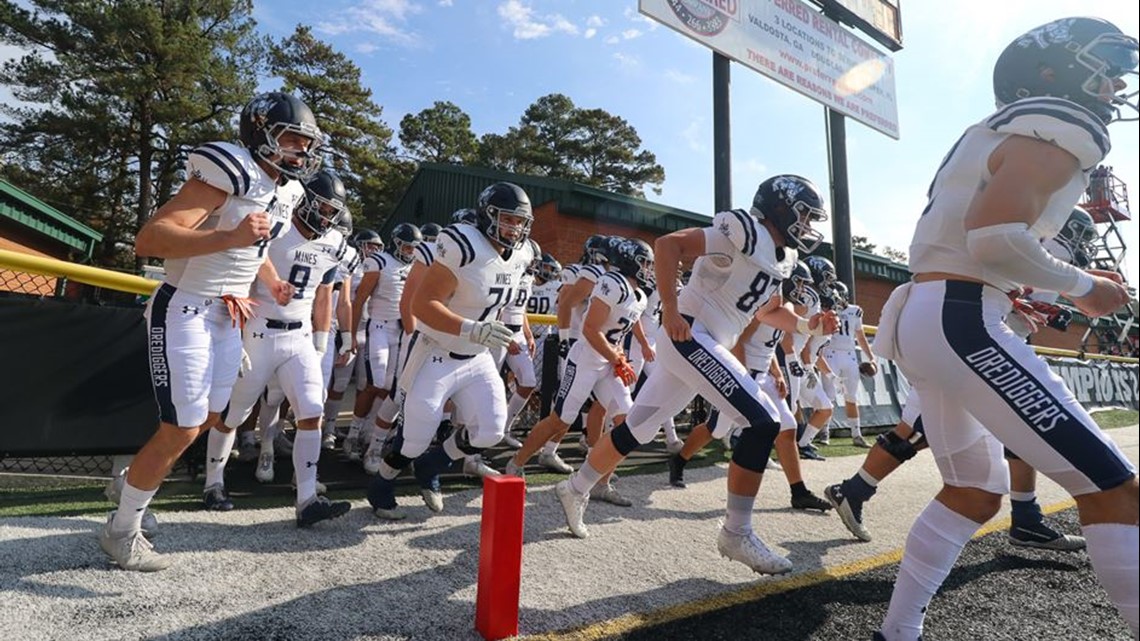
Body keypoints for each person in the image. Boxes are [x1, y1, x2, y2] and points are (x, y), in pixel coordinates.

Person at [873, 18, 1138, 640]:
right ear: (1052, 73)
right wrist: (1086, 287)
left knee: (972, 491)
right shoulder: (1054, 126)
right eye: (1107, 65)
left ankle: (898, 631)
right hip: (962, 315)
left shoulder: (996, 130)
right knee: (1116, 493)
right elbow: (994, 239)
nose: (1119, 80)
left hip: (934, 311)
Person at [552, 175, 837, 578]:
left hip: (705, 340)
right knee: (763, 421)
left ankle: (575, 488)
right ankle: (736, 532)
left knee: (638, 428)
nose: (807, 225)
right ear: (780, 207)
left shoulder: (783, 256)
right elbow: (670, 245)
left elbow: (768, 310)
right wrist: (669, 307)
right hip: (690, 331)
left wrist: (809, 324)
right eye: (803, 214)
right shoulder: (741, 228)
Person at [100, 92, 324, 571]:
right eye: (292, 140)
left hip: (227, 312)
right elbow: (151, 238)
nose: (301, 153)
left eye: (306, 144)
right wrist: (229, 236)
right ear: (260, 134)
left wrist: (272, 282)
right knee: (182, 426)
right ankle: (122, 533)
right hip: (184, 305)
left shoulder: (284, 190)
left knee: (205, 417)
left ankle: (128, 483)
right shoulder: (231, 170)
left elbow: (255, 247)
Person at [366, 182, 536, 519]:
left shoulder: (523, 254)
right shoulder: (462, 244)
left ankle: (432, 465)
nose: (514, 228)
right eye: (508, 219)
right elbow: (422, 304)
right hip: (436, 351)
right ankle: (382, 482)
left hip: (477, 356)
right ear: (488, 216)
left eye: (520, 222)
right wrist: (473, 328)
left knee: (491, 430)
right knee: (415, 436)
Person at [208, 168, 352, 526]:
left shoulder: (334, 243)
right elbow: (241, 275)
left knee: (311, 411)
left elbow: (323, 296)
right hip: (258, 330)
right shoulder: (275, 226)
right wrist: (235, 335)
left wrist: (320, 344)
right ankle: (213, 483)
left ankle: (306, 500)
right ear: (303, 200)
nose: (326, 218)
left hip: (300, 335)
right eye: (321, 208)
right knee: (236, 412)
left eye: (332, 212)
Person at [507, 238, 655, 509]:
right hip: (586, 359)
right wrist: (617, 359)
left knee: (628, 423)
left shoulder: (640, 296)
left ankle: (599, 483)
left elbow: (620, 330)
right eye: (644, 262)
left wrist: (621, 355)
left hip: (609, 362)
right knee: (560, 420)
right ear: (628, 260)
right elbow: (590, 328)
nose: (648, 268)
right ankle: (515, 464)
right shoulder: (612, 283)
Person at [344, 224, 421, 461]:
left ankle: (370, 432)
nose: (410, 252)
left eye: (413, 248)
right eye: (407, 246)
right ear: (396, 243)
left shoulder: (417, 266)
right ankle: (353, 433)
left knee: (390, 386)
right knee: (374, 383)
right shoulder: (380, 261)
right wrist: (350, 334)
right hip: (378, 326)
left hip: (401, 331)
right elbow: (359, 301)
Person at [819, 280, 876, 446]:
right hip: (830, 353)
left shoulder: (855, 311)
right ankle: (824, 432)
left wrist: (870, 356)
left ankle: (856, 434)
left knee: (851, 396)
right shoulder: (824, 309)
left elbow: (860, 336)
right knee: (828, 396)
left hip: (849, 355)